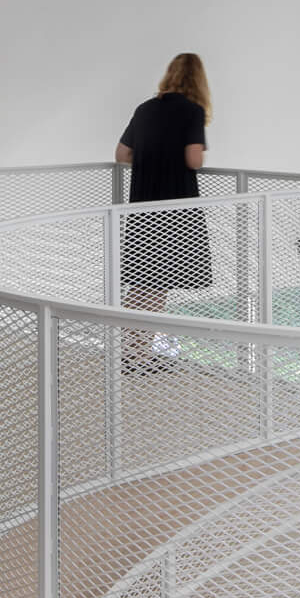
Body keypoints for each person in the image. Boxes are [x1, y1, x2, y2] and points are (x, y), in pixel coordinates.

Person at [115, 54, 215, 365]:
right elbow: (193, 160)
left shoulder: (145, 108)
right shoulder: (192, 111)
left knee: (144, 281)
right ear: (198, 80)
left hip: (143, 205)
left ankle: (131, 352)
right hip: (175, 208)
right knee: (160, 283)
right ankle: (138, 355)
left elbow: (121, 154)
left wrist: (152, 159)